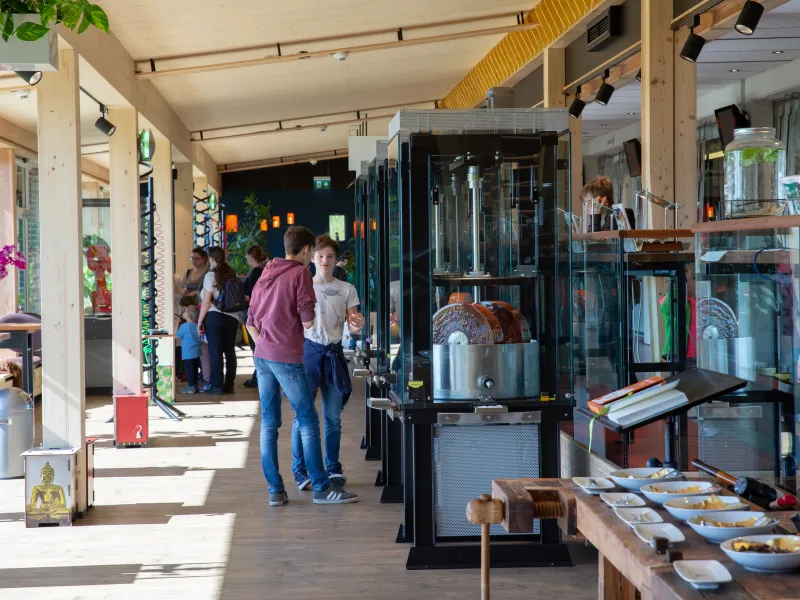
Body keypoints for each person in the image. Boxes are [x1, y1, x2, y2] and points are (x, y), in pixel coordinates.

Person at [246, 226, 359, 506]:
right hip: (287, 356)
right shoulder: (299, 274)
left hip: (263, 357)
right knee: (308, 420)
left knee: (269, 423)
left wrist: (266, 345)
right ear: (307, 250)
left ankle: (275, 491)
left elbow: (250, 322)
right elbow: (308, 321)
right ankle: (322, 486)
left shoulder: (266, 272)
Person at [292, 235, 364, 489]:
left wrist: (357, 325)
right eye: (320, 256)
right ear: (312, 258)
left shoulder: (347, 289)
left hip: (334, 354)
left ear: (336, 260)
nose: (325, 260)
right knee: (303, 417)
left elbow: (353, 327)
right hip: (307, 354)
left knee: (333, 417)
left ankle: (332, 466)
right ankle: (300, 470)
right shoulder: (303, 286)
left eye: (330, 256)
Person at [197, 247, 240, 394]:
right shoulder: (232, 274)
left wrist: (199, 321)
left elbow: (207, 301)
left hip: (214, 317)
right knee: (229, 351)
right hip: (233, 317)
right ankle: (230, 384)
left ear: (212, 259)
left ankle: (217, 386)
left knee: (215, 352)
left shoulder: (210, 276)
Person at [243, 245, 269, 389]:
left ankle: (259, 376)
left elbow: (253, 295)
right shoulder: (264, 270)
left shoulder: (255, 272)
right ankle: (258, 375)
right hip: (262, 313)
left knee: (256, 346)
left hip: (255, 314)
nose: (246, 259)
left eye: (247, 256)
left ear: (251, 256)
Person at [177, 305, 202, 393]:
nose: (183, 313)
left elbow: (178, 335)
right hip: (197, 352)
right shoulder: (197, 325)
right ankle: (196, 384)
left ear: (188, 316)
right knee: (195, 369)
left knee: (189, 371)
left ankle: (191, 386)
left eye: (184, 311)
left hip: (188, 353)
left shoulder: (184, 326)